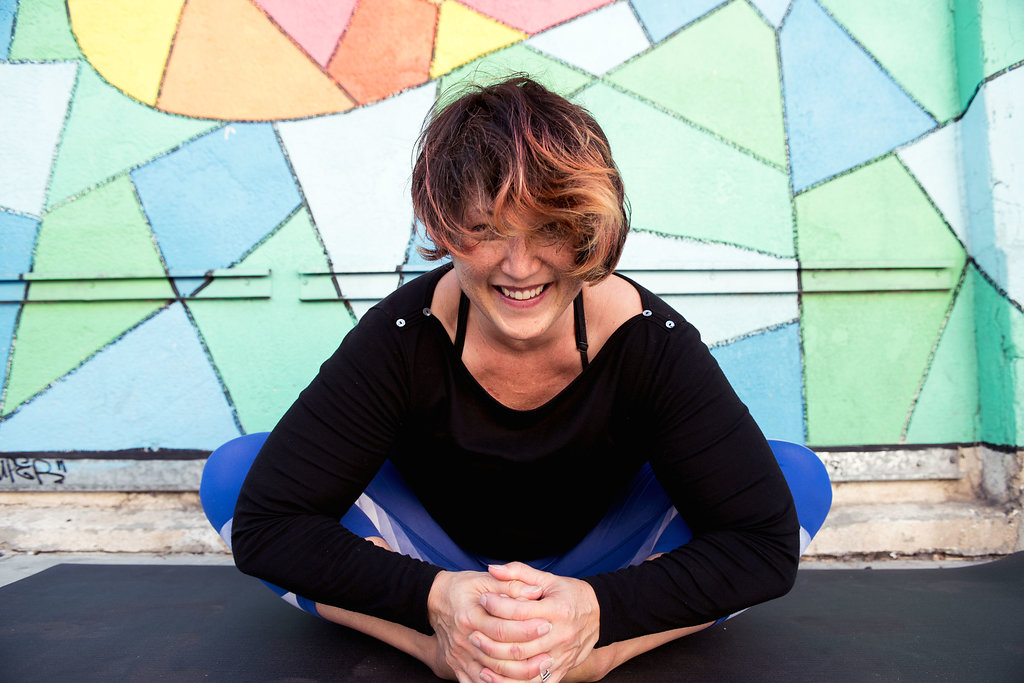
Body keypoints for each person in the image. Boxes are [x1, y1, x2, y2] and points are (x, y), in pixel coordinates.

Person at [200, 76, 831, 683]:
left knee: (795, 482)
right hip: (435, 562)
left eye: (550, 230)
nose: (519, 266)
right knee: (236, 476)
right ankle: (438, 651)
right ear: (443, 226)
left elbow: (762, 546)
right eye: (486, 231)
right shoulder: (401, 336)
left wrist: (598, 616)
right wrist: (438, 605)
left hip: (600, 567)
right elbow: (269, 525)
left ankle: (594, 657)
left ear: (589, 227)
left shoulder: (649, 341)